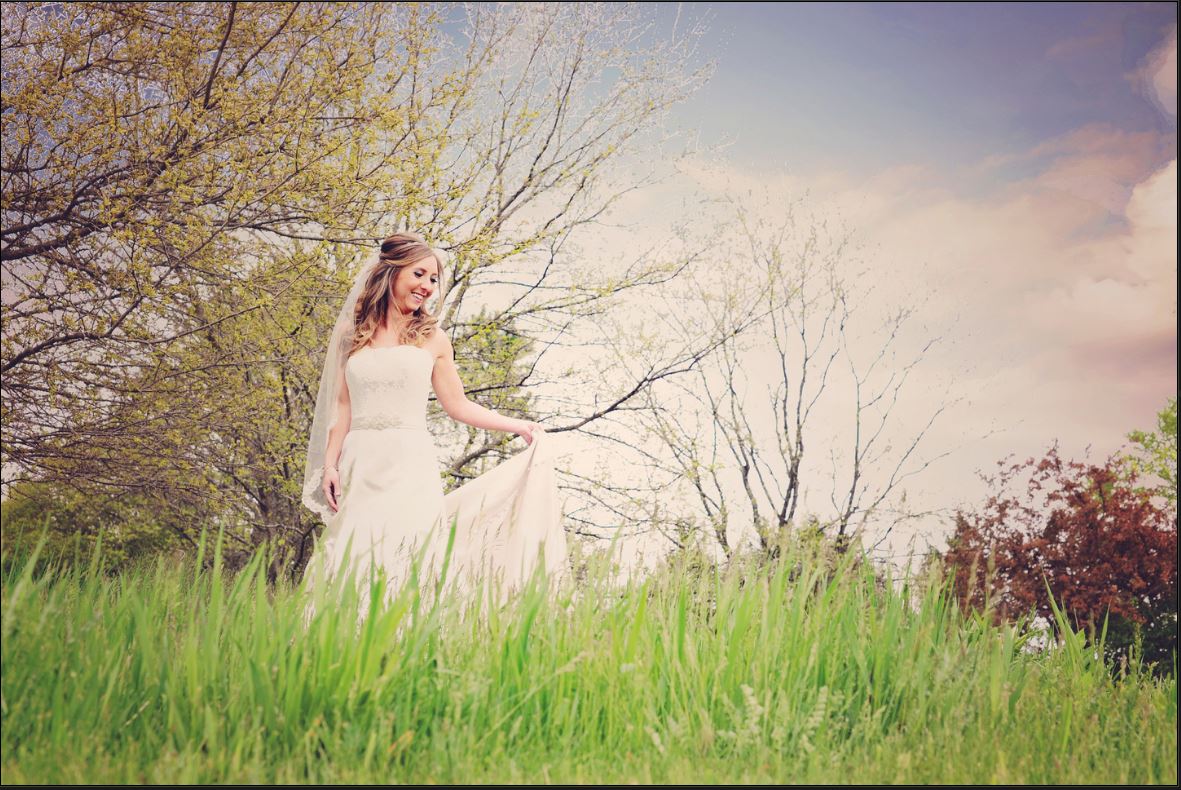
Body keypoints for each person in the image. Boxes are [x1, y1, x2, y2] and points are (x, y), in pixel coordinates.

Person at [300, 231, 569, 626]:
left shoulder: (433, 339)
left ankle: (403, 644)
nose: (427, 287)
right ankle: (338, 643)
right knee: (353, 550)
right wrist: (331, 465)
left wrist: (518, 425)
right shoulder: (352, 335)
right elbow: (342, 405)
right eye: (419, 274)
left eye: (433, 279)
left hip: (409, 463)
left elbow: (457, 405)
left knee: (406, 552)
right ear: (391, 273)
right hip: (361, 461)